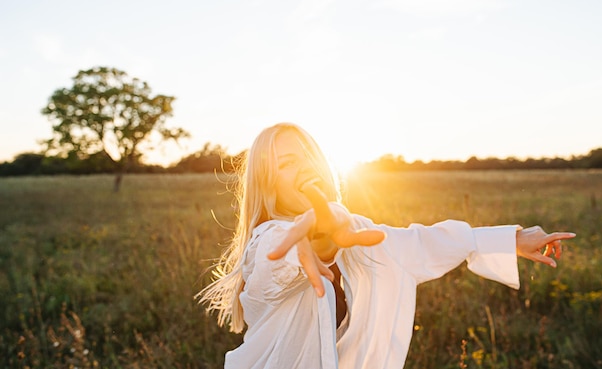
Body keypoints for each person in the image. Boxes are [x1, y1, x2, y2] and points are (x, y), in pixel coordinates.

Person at [195, 122, 576, 369]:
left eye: (311, 156)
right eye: (288, 164)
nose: (307, 166)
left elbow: (425, 243)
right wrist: (313, 241)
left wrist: (509, 239)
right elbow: (270, 265)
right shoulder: (267, 242)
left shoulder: (363, 234)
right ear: (267, 183)